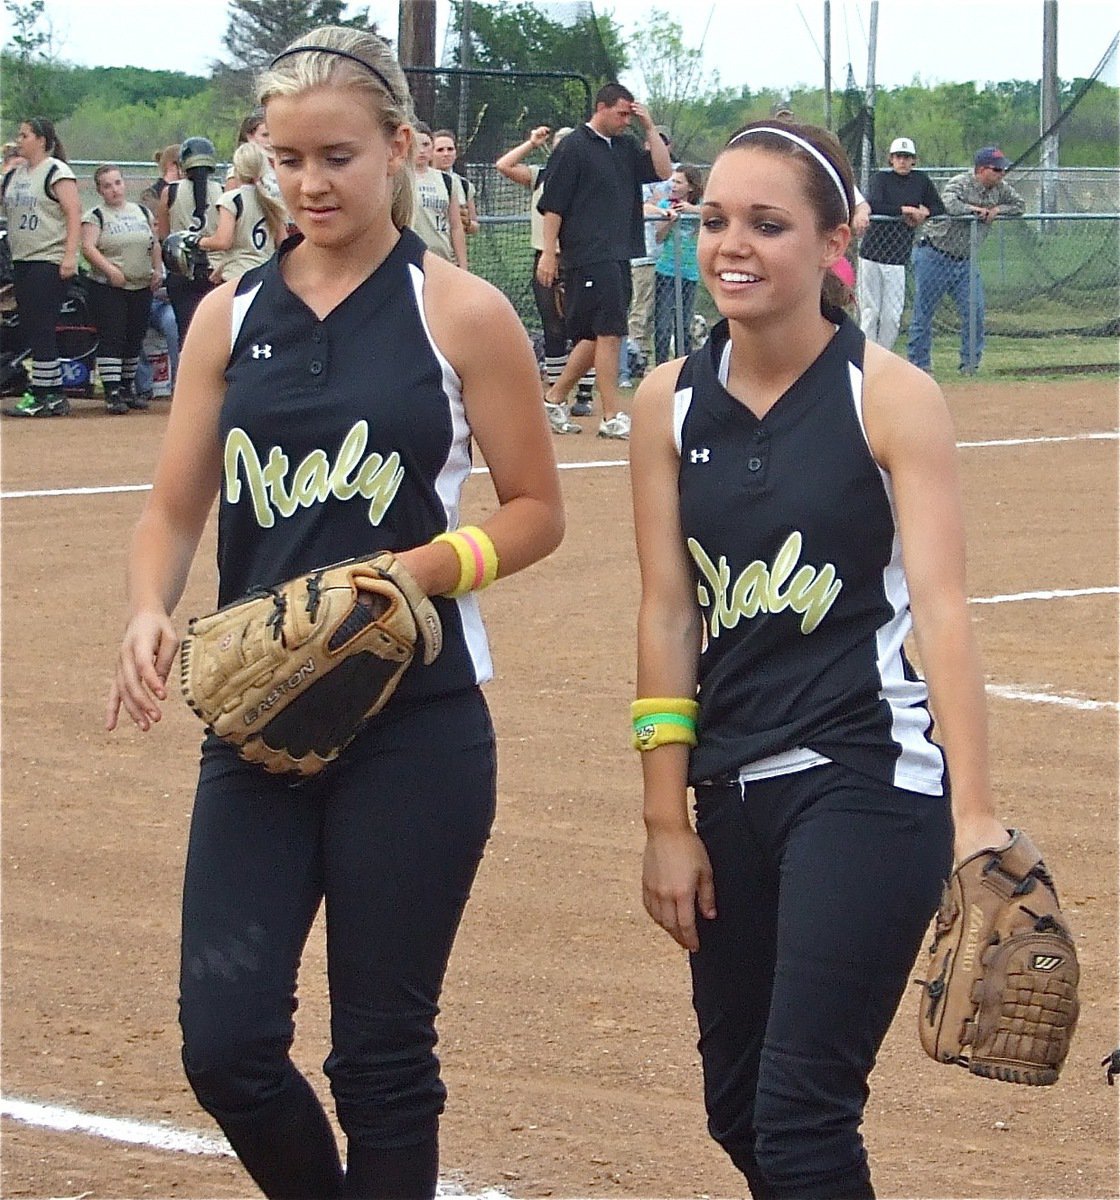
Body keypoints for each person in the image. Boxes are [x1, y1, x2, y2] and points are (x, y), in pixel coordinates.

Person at [105, 24, 563, 1200]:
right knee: (229, 1044)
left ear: (398, 148)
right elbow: (172, 507)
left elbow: (533, 510)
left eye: (338, 156)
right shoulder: (225, 316)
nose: (308, 182)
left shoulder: (457, 312)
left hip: (416, 722)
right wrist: (148, 610)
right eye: (285, 157)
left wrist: (419, 570)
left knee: (381, 1058)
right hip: (257, 715)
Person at [629, 119, 1007, 1199]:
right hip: (728, 791)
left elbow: (941, 610)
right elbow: (666, 614)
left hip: (867, 781)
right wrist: (664, 819)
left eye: (767, 224)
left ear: (836, 241)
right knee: (739, 1112)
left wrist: (973, 814)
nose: (730, 246)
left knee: (800, 1119)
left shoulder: (886, 395)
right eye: (712, 221)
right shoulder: (667, 402)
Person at [536, 82, 672, 439]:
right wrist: (550, 253)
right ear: (601, 107)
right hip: (587, 253)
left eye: (630, 114)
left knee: (598, 335)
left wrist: (649, 125)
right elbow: (553, 205)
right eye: (622, 113)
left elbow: (663, 171)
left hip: (619, 252)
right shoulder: (574, 147)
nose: (627, 120)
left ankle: (552, 399)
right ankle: (612, 414)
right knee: (609, 332)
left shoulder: (626, 147)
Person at [493, 123, 594, 431]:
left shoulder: (588, 179)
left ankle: (584, 393)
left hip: (580, 257)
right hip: (546, 256)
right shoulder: (542, 175)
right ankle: (555, 392)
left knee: (584, 327)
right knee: (553, 325)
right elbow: (503, 165)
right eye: (560, 145)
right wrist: (532, 142)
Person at [907, 145, 1024, 374]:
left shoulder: (1000, 189)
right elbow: (947, 203)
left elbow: (1020, 205)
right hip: (935, 254)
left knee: (975, 312)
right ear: (981, 169)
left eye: (1003, 170)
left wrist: (998, 210)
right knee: (924, 313)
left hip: (965, 261)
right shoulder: (960, 182)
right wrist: (975, 210)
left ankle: (970, 365)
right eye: (996, 169)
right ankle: (919, 366)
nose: (1001, 174)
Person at [1, 116, 81, 417]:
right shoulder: (17, 174)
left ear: (42, 140)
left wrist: (70, 256)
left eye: (25, 135)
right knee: (33, 327)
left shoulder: (56, 172)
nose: (19, 140)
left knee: (42, 327)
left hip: (47, 259)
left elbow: (73, 213)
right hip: (23, 259)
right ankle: (49, 390)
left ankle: (45, 393)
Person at [81, 164, 162, 413]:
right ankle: (112, 391)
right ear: (99, 190)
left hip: (140, 285)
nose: (114, 190)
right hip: (110, 287)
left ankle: (128, 387)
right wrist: (110, 270)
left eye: (117, 183)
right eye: (107, 186)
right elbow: (88, 248)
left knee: (134, 336)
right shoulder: (96, 216)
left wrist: (157, 270)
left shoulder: (141, 212)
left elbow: (154, 243)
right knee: (113, 336)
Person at [857, 136, 944, 349]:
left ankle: (883, 357)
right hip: (871, 254)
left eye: (907, 157)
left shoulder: (920, 181)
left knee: (892, 316)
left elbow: (939, 206)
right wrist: (903, 210)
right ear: (891, 159)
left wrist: (925, 211)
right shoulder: (881, 179)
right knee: (870, 312)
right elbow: (874, 204)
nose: (902, 161)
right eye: (898, 157)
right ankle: (867, 357)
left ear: (914, 160)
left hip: (897, 257)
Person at [157, 135, 222, 338]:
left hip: (181, 269)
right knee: (215, 333)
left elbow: (164, 235)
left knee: (187, 333)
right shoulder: (223, 192)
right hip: (214, 270)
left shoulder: (171, 191)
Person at [197, 142, 287, 283]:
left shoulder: (231, 199)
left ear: (237, 169)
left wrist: (198, 241)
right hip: (265, 274)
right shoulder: (271, 201)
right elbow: (283, 242)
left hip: (236, 275)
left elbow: (223, 242)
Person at [652, 164, 703, 365]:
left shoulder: (702, 206)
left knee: (684, 325)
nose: (673, 185)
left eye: (678, 182)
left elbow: (712, 214)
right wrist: (669, 219)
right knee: (663, 325)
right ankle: (661, 366)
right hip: (666, 270)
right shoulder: (665, 204)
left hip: (689, 272)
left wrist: (692, 210)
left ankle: (684, 367)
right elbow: (659, 237)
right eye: (672, 181)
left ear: (690, 187)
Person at [409, 122, 468, 268]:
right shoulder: (399, 179)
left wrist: (463, 265)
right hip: (410, 258)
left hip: (442, 257)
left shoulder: (447, 180)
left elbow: (455, 226)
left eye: (426, 144)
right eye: (416, 144)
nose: (421, 150)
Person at [225, 109, 283, 205]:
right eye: (265, 135)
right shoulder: (239, 171)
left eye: (275, 135)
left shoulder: (284, 166)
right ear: (250, 137)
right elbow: (230, 207)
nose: (271, 141)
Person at [431, 129, 479, 237]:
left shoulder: (464, 185)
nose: (446, 154)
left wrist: (467, 223)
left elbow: (475, 226)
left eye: (450, 149)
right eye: (440, 150)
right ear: (430, 153)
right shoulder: (420, 180)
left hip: (452, 250)